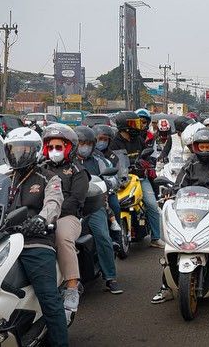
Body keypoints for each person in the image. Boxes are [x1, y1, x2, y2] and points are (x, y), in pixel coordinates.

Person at [151, 128, 209, 304]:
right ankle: (166, 288)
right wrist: (171, 190)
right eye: (201, 146)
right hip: (188, 211)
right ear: (195, 147)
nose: (205, 150)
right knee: (172, 246)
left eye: (208, 146)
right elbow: (179, 184)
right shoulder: (190, 165)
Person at [4, 127, 69, 346]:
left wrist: (41, 220)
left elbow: (53, 204)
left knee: (49, 298)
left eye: (24, 150)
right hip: (2, 241)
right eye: (13, 150)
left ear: (35, 151)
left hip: (35, 241)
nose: (18, 155)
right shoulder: (4, 178)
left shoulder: (48, 178)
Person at [41, 124, 89, 316]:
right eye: (50, 147)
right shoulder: (40, 169)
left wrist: (50, 214)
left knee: (61, 236)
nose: (54, 151)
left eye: (58, 147)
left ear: (69, 148)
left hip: (67, 217)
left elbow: (75, 200)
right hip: (39, 217)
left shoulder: (78, 171)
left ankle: (71, 287)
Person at [74, 126, 123, 295]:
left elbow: (113, 180)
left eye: (88, 143)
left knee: (102, 236)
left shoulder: (99, 161)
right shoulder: (67, 161)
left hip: (93, 206)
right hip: (71, 208)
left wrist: (105, 184)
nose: (84, 146)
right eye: (81, 143)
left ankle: (110, 277)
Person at [110, 111, 164, 248]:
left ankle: (156, 238)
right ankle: (114, 238)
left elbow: (147, 155)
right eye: (134, 123)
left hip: (139, 177)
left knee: (152, 204)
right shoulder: (114, 143)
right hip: (121, 179)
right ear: (125, 126)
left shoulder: (139, 139)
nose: (138, 126)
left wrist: (145, 162)